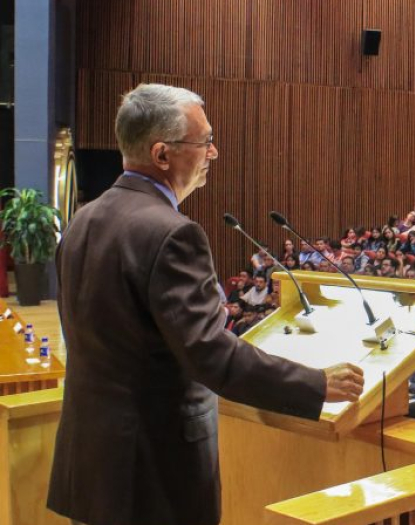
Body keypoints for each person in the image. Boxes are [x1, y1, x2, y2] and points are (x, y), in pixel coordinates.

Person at [50, 83, 365, 525]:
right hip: (152, 471)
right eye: (205, 142)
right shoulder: (172, 233)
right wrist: (313, 383)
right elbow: (210, 355)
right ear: (162, 155)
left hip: (91, 460)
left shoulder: (83, 219)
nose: (213, 153)